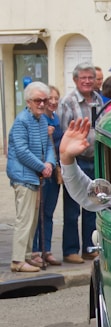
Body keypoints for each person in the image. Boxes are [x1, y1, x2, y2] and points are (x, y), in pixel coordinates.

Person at [7, 82, 55, 272]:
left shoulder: (41, 120)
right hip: (24, 176)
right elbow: (22, 151)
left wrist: (50, 163)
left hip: (35, 176)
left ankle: (26, 255)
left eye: (44, 100)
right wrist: (42, 166)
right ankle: (17, 261)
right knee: (24, 219)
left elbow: (49, 145)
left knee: (32, 219)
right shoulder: (21, 121)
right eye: (38, 100)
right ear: (28, 101)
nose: (42, 104)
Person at [58, 63, 104, 264]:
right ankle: (70, 250)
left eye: (90, 78)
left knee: (92, 205)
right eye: (83, 78)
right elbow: (62, 135)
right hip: (77, 161)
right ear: (75, 80)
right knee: (72, 210)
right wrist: (62, 165)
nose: (87, 81)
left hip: (95, 160)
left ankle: (89, 247)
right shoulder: (68, 102)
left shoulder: (98, 99)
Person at [31, 85, 64, 266]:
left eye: (55, 98)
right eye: (49, 98)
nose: (52, 102)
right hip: (40, 171)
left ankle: (47, 250)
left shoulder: (56, 118)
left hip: (54, 171)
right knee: (38, 213)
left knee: (49, 213)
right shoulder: (38, 119)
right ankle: (35, 251)